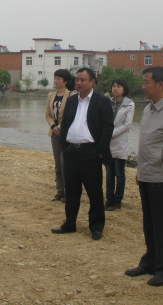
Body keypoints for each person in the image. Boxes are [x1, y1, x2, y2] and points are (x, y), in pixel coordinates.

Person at [125, 67, 163, 287]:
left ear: (160, 84)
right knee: (149, 224)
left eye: (146, 82)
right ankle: (150, 261)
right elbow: (146, 143)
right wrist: (140, 171)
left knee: (162, 226)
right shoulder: (149, 109)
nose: (142, 86)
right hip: (147, 174)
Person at [51, 67, 113, 241]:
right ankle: (70, 223)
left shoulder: (102, 101)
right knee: (71, 191)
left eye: (83, 80)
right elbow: (65, 123)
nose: (79, 83)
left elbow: (108, 128)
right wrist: (64, 145)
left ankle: (96, 226)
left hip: (90, 153)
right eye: (77, 79)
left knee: (94, 192)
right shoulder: (71, 100)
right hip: (71, 152)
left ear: (93, 82)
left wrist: (99, 150)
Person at [105, 78, 135, 211]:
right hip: (107, 143)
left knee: (119, 173)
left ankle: (118, 201)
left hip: (120, 142)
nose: (115, 88)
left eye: (118, 86)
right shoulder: (108, 102)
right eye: (114, 86)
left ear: (124, 89)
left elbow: (127, 124)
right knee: (109, 173)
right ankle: (109, 199)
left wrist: (111, 133)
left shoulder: (129, 104)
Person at [45, 69, 75, 202]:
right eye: (55, 78)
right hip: (55, 134)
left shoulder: (72, 95)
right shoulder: (51, 95)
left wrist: (61, 127)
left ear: (66, 81)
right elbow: (47, 114)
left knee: (65, 163)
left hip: (67, 134)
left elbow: (72, 115)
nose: (56, 81)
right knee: (57, 164)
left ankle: (69, 192)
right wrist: (53, 126)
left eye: (58, 78)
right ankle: (59, 191)